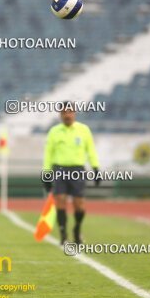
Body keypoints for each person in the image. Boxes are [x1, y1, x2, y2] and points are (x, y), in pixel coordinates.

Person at [43, 102, 100, 245]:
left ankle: (77, 229)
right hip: (59, 169)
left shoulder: (84, 130)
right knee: (60, 200)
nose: (67, 115)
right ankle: (63, 233)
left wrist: (96, 168)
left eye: (70, 112)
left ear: (74, 114)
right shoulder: (54, 132)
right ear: (60, 115)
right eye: (64, 113)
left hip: (77, 170)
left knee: (79, 204)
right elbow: (48, 153)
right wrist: (46, 173)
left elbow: (90, 150)